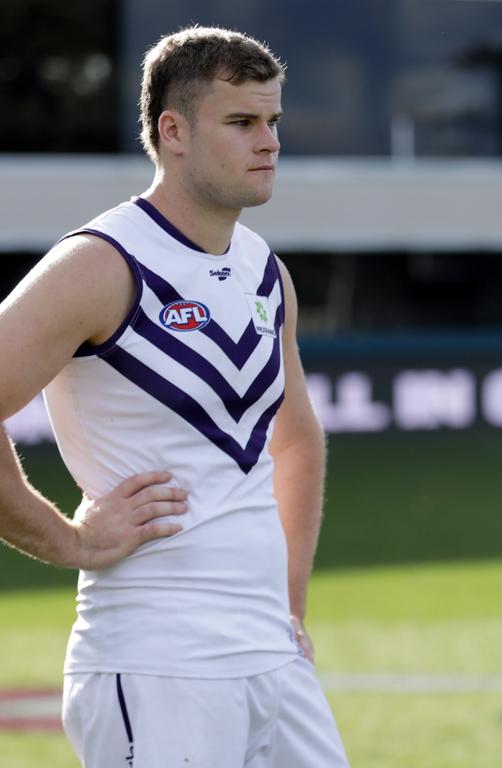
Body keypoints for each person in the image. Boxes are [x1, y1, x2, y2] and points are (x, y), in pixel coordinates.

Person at [0, 26, 349, 767]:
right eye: (242, 122)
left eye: (273, 122)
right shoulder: (101, 263)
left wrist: (287, 607)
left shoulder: (264, 270)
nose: (269, 142)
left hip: (272, 659)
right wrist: (68, 541)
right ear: (174, 131)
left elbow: (297, 439)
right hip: (157, 663)